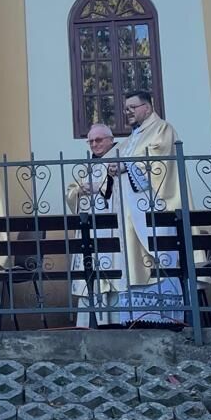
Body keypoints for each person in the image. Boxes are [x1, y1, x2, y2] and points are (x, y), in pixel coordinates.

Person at [106, 93, 185, 325]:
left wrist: (126, 166)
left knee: (158, 258)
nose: (128, 112)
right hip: (130, 213)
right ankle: (136, 317)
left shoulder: (162, 129)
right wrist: (112, 168)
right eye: (126, 108)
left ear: (148, 107)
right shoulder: (133, 137)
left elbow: (158, 162)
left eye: (133, 107)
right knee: (132, 261)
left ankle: (164, 318)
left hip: (154, 209)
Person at [66, 124, 122, 326]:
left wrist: (101, 187)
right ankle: (89, 321)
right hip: (89, 228)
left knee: (112, 272)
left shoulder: (120, 158)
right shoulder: (88, 165)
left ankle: (115, 321)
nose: (94, 144)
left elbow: (126, 188)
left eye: (98, 140)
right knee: (90, 271)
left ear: (111, 139)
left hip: (112, 227)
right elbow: (71, 192)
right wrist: (79, 190)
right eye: (90, 141)